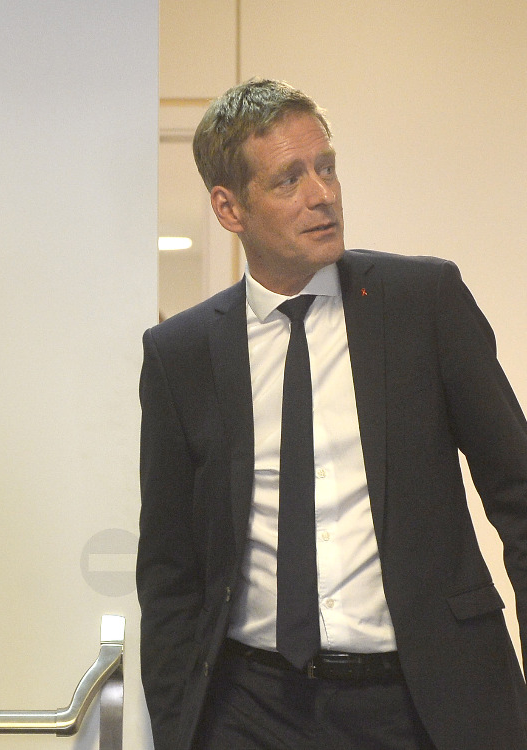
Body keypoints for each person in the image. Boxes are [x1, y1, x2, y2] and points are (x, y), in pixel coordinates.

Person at [136, 78, 527, 750]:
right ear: (229, 208)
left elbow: (518, 492)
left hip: (424, 699)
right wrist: (178, 729)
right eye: (289, 179)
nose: (322, 194)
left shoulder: (422, 302)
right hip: (250, 708)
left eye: (327, 167)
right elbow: (170, 569)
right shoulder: (181, 353)